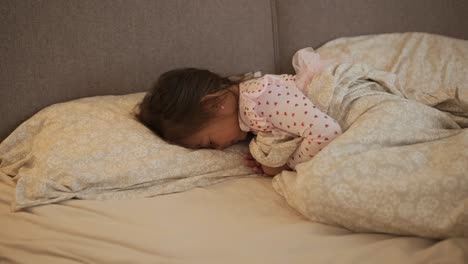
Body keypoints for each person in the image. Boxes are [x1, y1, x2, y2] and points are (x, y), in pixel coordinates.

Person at [137, 48, 342, 176]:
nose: (217, 149)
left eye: (209, 142)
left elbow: (326, 131)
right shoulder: (247, 114)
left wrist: (286, 166)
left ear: (213, 105)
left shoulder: (262, 97)